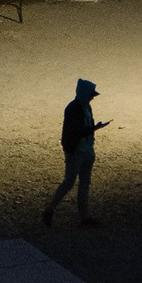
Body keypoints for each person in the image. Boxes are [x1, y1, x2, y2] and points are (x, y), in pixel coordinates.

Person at [42, 78, 108, 227]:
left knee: (79, 183)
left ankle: (81, 217)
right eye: (91, 94)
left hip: (84, 149)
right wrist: (93, 129)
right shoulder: (75, 109)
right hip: (77, 151)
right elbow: (77, 131)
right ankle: (51, 209)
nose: (92, 97)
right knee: (71, 182)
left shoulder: (82, 107)